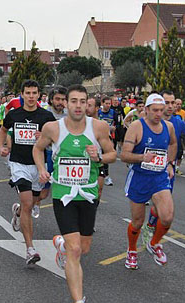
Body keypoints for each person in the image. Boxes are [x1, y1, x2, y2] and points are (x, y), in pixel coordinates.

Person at [33, 85, 116, 303]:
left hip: (88, 194)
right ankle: (78, 300)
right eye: (73, 101)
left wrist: (98, 156)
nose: (78, 106)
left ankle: (60, 245)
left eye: (82, 101)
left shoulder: (98, 127)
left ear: (88, 103)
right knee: (76, 249)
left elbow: (113, 154)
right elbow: (37, 148)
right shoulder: (53, 128)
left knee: (84, 247)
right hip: (64, 194)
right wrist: (42, 169)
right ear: (66, 104)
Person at [0, 80, 56, 265]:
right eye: (28, 93)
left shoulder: (46, 116)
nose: (31, 96)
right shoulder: (14, 114)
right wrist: (2, 146)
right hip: (18, 163)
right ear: (22, 95)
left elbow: (57, 139)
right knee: (27, 202)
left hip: (38, 165)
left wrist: (45, 138)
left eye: (34, 93)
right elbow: (3, 129)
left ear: (39, 95)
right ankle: (30, 249)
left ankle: (18, 212)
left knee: (35, 201)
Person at [121, 93, 177, 270]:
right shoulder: (137, 127)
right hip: (140, 177)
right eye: (155, 110)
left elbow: (174, 144)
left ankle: (153, 243)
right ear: (146, 110)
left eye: (161, 110)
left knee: (167, 217)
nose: (159, 114)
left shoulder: (168, 127)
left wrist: (169, 163)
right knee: (138, 221)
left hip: (159, 178)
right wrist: (142, 157)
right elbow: (124, 155)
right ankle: (131, 250)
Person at [141, 91, 185, 245]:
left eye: (172, 103)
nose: (170, 106)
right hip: (145, 170)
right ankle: (143, 228)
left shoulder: (179, 123)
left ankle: (150, 226)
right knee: (139, 211)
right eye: (167, 103)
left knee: (161, 206)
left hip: (166, 171)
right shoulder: (146, 121)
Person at [35, 86, 67, 218]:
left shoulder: (70, 115)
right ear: (51, 100)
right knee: (43, 193)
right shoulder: (44, 114)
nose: (60, 102)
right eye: (57, 99)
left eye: (63, 99)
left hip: (65, 156)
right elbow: (37, 135)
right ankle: (29, 206)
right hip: (48, 154)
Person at [98, 96, 116, 186]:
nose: (108, 105)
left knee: (106, 157)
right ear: (102, 103)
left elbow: (117, 125)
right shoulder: (98, 112)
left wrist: (113, 129)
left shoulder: (113, 113)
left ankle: (107, 176)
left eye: (110, 103)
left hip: (108, 138)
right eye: (106, 103)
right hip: (98, 138)